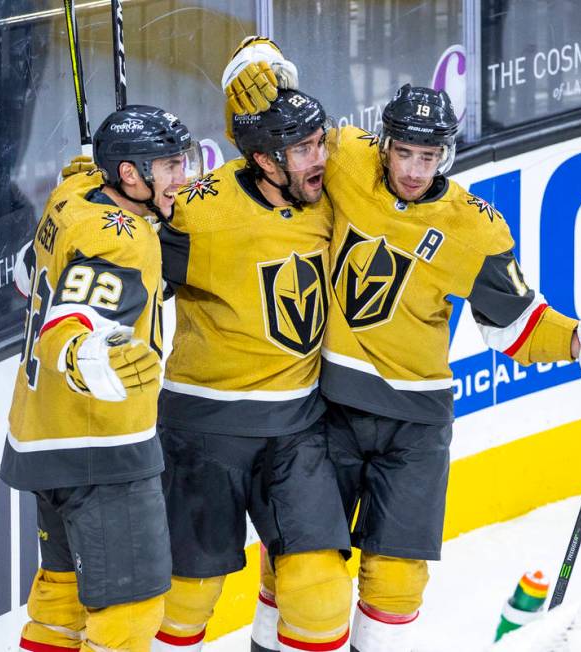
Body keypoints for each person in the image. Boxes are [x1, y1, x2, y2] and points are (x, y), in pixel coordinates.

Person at [225, 51, 581, 649]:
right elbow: (277, 139)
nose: (414, 169)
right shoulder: (345, 161)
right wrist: (256, 66)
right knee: (304, 574)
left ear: (447, 156)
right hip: (328, 410)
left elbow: (518, 326)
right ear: (384, 145)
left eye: (428, 157)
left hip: (416, 428)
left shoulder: (474, 229)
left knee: (396, 583)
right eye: (404, 153)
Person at [150, 89, 353, 652]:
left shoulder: (333, 197)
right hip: (202, 433)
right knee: (183, 600)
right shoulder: (198, 211)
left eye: (320, 142)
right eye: (304, 149)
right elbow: (116, 269)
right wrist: (99, 199)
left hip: (296, 429)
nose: (320, 159)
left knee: (321, 595)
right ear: (264, 160)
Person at [1, 105, 202, 652]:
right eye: (170, 166)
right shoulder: (125, 240)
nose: (182, 178)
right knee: (129, 614)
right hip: (102, 443)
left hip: (43, 433)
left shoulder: (70, 197)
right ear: (131, 175)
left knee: (62, 603)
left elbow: (28, 277)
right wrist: (89, 356)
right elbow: (74, 322)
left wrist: (94, 167)